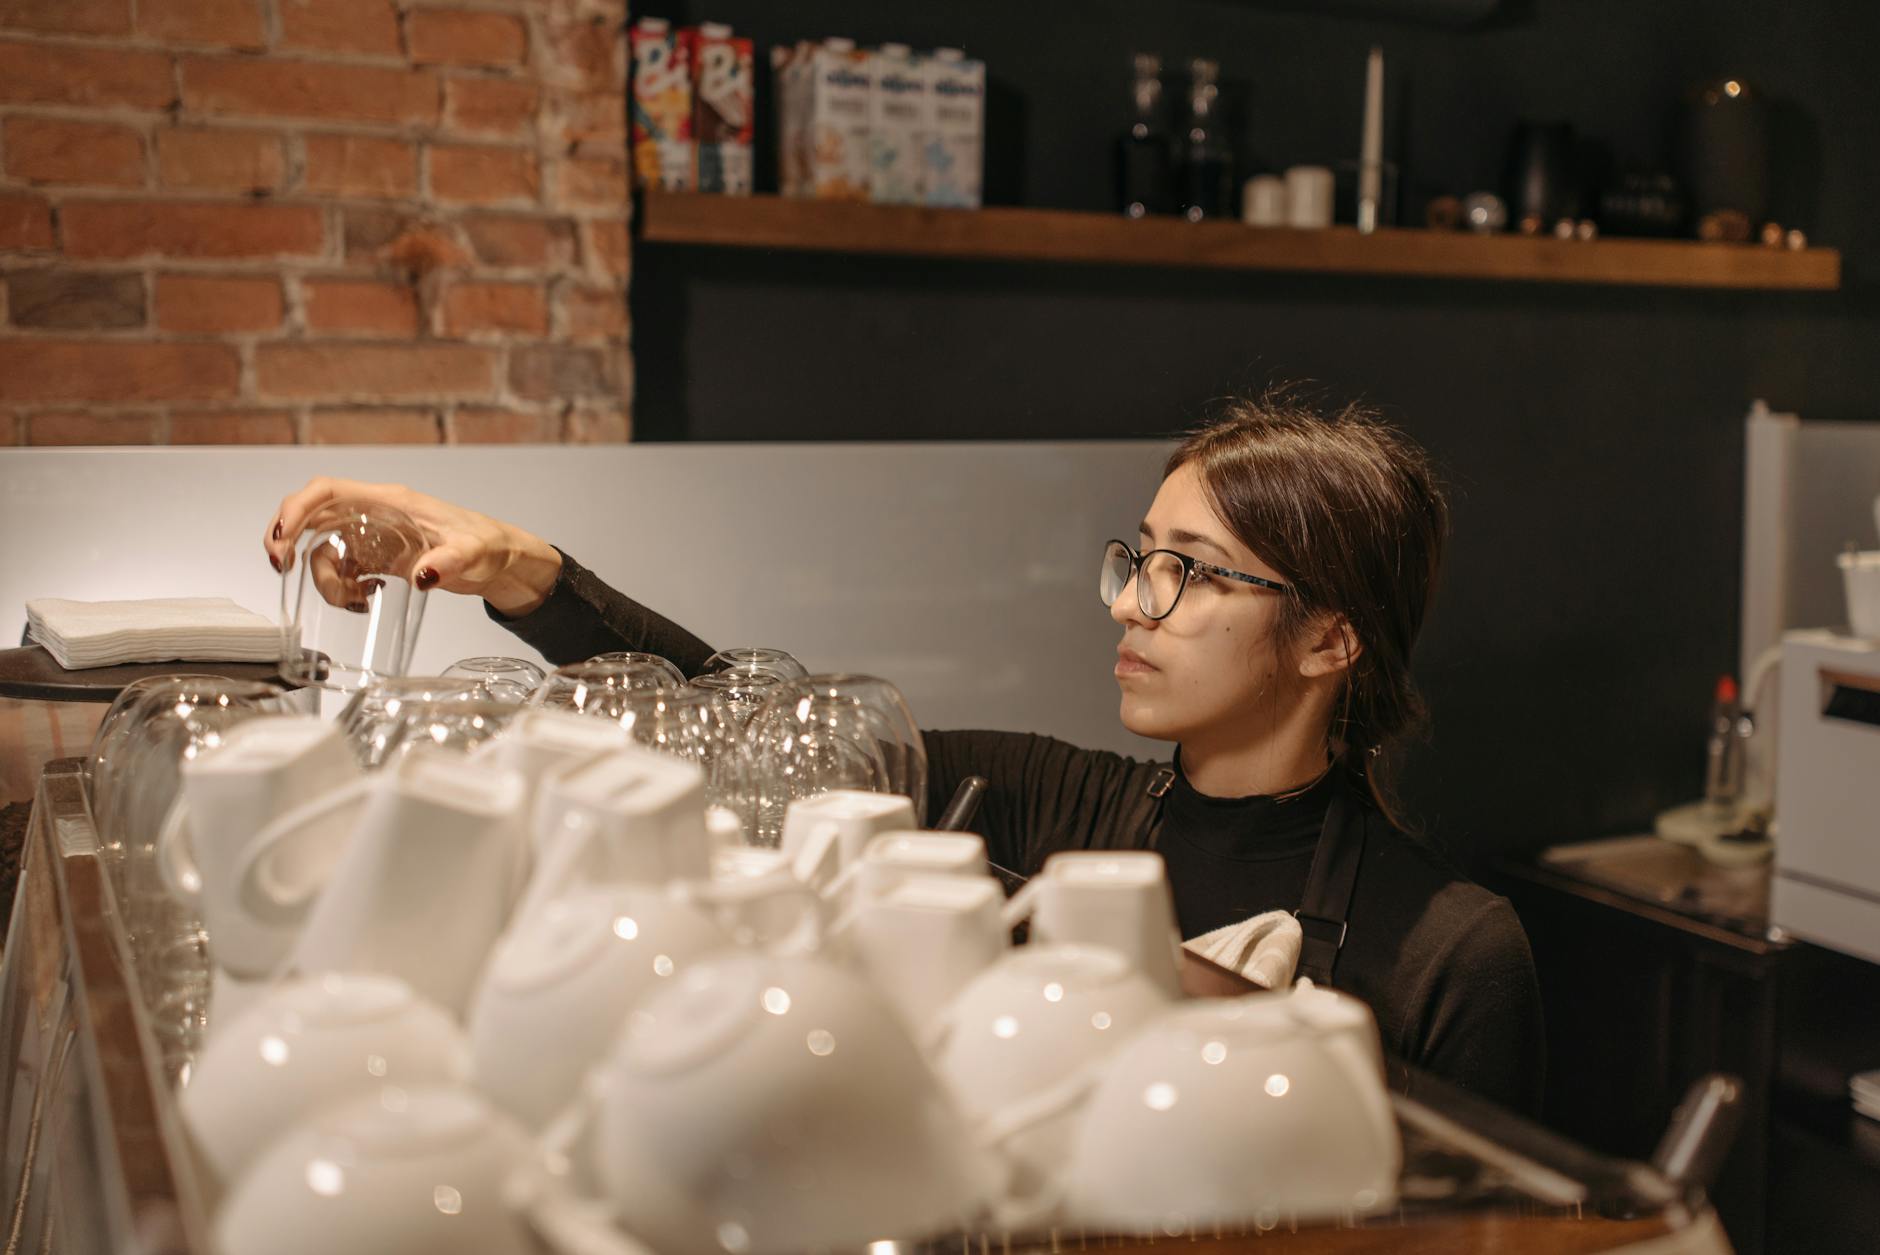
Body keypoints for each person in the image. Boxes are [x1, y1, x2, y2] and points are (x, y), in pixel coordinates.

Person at [263, 394, 1545, 1113]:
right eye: (1137, 557)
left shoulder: (1449, 949)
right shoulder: (1043, 805)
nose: (1128, 604)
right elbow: (762, 722)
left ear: (1328, 637)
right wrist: (531, 578)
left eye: (1187, 575)